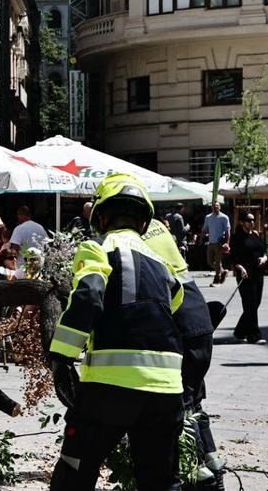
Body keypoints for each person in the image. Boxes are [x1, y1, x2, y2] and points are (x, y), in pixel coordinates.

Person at [47, 173, 185, 491]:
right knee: (159, 481)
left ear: (102, 216)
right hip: (166, 392)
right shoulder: (162, 263)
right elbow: (176, 304)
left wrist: (61, 357)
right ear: (143, 222)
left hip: (109, 389)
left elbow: (88, 295)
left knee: (76, 470)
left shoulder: (98, 247)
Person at [141, 217, 225, 489]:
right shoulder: (157, 225)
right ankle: (213, 464)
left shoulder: (128, 237)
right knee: (195, 401)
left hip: (181, 325)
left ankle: (201, 475)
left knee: (181, 407)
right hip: (199, 318)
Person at [230, 213, 268, 345]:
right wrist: (240, 267)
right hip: (245, 275)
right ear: (242, 222)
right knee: (249, 304)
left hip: (258, 273)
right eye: (248, 220)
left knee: (255, 303)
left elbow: (264, 252)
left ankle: (240, 332)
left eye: (253, 220)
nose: (252, 222)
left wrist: (264, 259)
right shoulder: (236, 238)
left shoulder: (256, 235)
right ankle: (254, 335)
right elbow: (233, 257)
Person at [6, 205, 48, 274]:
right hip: (39, 268)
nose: (17, 217)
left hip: (23, 269)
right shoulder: (40, 227)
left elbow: (14, 250)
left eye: (18, 215)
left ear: (21, 215)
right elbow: (47, 246)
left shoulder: (19, 229)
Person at [202, 202, 231, 285]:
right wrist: (201, 239)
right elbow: (205, 229)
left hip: (219, 243)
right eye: (214, 206)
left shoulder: (224, 217)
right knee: (210, 261)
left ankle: (217, 279)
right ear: (212, 208)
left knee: (217, 261)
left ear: (220, 207)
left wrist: (227, 242)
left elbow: (227, 231)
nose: (216, 207)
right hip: (211, 242)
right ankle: (223, 271)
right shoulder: (208, 217)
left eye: (217, 206)